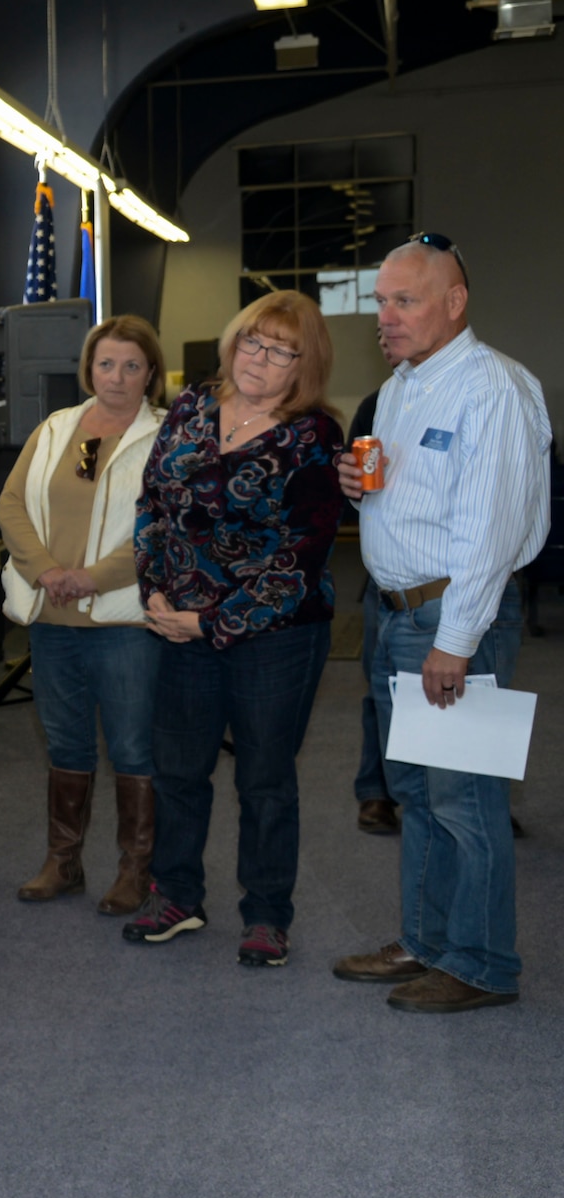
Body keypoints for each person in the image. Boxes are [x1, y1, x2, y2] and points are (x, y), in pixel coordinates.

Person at [332, 234, 550, 1012]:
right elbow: (408, 499)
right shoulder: (402, 387)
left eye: (405, 300)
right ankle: (428, 939)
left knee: (466, 801)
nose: (385, 317)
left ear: (455, 302)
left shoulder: (492, 389)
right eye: (381, 301)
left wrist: (455, 642)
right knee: (418, 794)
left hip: (456, 620)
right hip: (395, 616)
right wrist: (358, 486)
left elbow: (489, 530)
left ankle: (485, 963)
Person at [127, 291, 345, 969]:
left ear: (304, 366)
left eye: (283, 351)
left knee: (265, 777)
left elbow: (300, 559)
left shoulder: (313, 436)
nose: (262, 358)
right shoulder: (191, 406)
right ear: (233, 343)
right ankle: (178, 895)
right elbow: (151, 505)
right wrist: (155, 592)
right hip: (180, 623)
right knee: (179, 769)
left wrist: (210, 620)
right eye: (254, 341)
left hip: (273, 635)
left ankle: (267, 914)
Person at [0, 315, 167, 915]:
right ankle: (62, 861)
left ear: (151, 373)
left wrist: (91, 578)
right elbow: (12, 503)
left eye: (131, 366)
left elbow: (163, 528)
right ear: (87, 368)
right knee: (66, 744)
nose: (116, 377)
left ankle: (135, 870)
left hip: (124, 622)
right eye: (105, 364)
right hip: (52, 617)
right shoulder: (56, 428)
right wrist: (46, 570)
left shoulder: (167, 438)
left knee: (131, 749)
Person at [348, 386, 399, 835]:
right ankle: (376, 791)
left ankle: (473, 792)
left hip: (455, 579)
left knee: (470, 692)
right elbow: (356, 495)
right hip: (384, 583)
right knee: (381, 690)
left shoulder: (479, 390)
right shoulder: (375, 406)